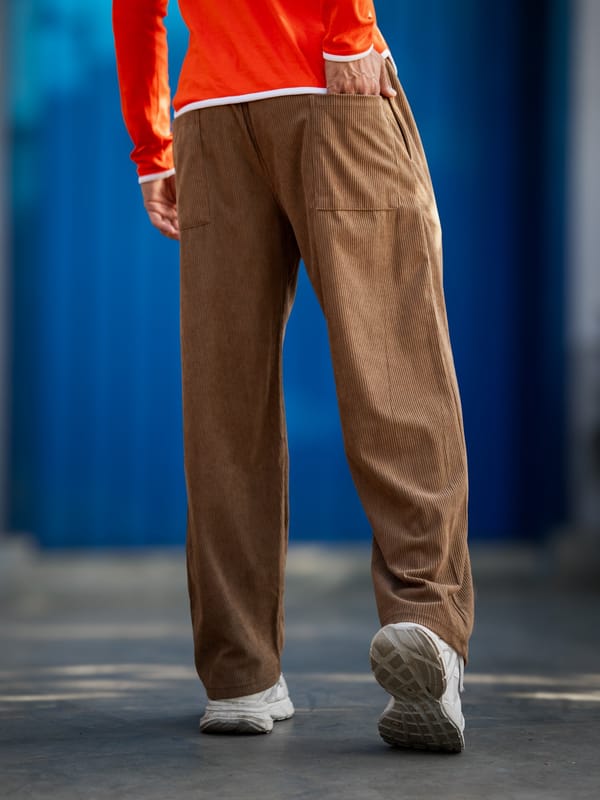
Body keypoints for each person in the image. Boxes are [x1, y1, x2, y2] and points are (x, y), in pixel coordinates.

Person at [112, 0, 474, 753]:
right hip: (324, 81)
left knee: (225, 400)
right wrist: (351, 27)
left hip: (209, 113)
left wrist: (152, 145)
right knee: (395, 364)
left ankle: (238, 674)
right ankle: (428, 630)